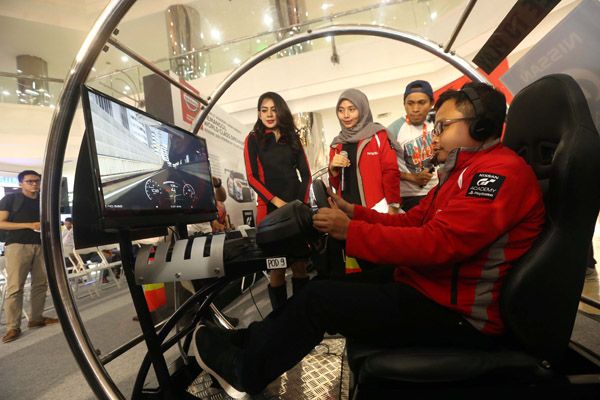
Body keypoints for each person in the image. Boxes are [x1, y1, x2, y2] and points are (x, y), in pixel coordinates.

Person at [189, 83, 546, 398]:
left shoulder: (498, 173)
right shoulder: (464, 173)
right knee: (325, 286)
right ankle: (251, 342)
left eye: (442, 126)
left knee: (318, 299)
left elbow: (439, 244)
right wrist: (354, 213)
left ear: (479, 127)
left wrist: (350, 232)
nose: (434, 135)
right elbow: (410, 221)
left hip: (457, 315)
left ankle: (245, 372)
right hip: (429, 288)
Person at [244, 91, 312, 309]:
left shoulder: (292, 138)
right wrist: (277, 202)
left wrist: (298, 206)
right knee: (277, 268)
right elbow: (252, 178)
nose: (269, 114)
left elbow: (306, 175)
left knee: (301, 266)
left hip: (296, 209)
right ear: (258, 113)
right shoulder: (253, 139)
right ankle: (280, 322)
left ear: (281, 111)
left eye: (274, 109)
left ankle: (303, 317)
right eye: (264, 110)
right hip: (270, 212)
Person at [328, 88, 401, 273]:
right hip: (349, 215)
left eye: (351, 109)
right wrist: (333, 170)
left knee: (383, 264)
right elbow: (335, 185)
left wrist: (393, 207)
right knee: (357, 269)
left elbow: (391, 172)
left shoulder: (378, 135)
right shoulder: (336, 144)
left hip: (377, 212)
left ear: (362, 109)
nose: (346, 115)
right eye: (341, 110)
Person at [0, 170, 58, 343]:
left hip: (42, 246)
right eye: (30, 181)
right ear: (20, 183)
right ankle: (13, 327)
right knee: (15, 287)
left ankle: (36, 318)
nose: (34, 184)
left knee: (40, 283)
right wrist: (28, 225)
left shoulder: (44, 200)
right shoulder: (11, 199)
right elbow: (1, 223)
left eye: (37, 181)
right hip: (17, 246)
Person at [387, 80, 438, 211]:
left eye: (422, 103)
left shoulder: (437, 124)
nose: (415, 109)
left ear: (431, 103)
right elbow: (386, 170)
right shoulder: (393, 130)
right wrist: (412, 178)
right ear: (404, 104)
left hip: (437, 191)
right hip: (409, 197)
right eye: (410, 103)